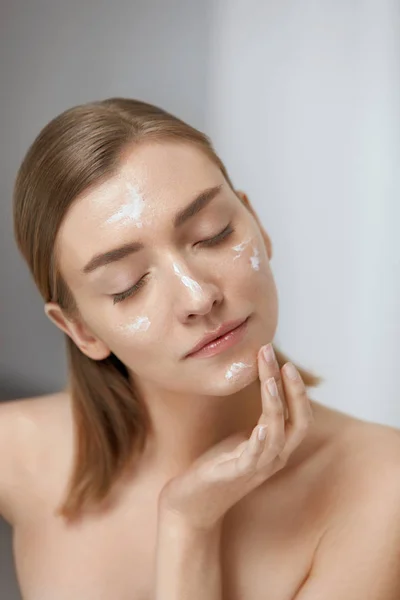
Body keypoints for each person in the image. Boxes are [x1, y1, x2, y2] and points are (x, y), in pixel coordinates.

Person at [2, 97, 400, 600]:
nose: (198, 296)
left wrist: (187, 526)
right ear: (81, 331)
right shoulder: (16, 453)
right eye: (127, 285)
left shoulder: (381, 488)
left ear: (256, 222)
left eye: (214, 234)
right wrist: (189, 517)